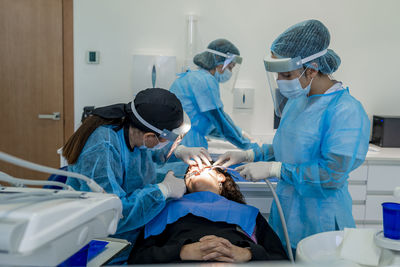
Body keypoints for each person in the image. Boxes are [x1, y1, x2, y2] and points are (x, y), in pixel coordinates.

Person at [215, 20, 371, 255]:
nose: (280, 81)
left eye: (286, 74)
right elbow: (287, 146)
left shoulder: (346, 110)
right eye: (278, 74)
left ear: (312, 69)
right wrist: (250, 154)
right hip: (287, 217)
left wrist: (276, 170)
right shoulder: (297, 102)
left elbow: (331, 174)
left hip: (322, 223)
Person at [63, 88, 212, 263]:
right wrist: (163, 191)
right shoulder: (102, 146)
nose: (170, 145)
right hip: (96, 244)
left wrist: (179, 151)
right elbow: (111, 215)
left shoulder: (134, 131)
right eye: (171, 141)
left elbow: (152, 157)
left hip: (134, 237)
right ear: (150, 136)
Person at [128, 165, 288, 263]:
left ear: (221, 176)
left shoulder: (249, 213)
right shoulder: (166, 209)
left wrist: (247, 253)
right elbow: (138, 257)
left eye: (202, 166)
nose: (194, 169)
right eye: (189, 170)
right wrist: (182, 252)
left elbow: (280, 258)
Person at [170, 38, 257, 149]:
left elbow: (209, 125)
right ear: (219, 63)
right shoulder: (205, 81)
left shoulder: (194, 77)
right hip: (188, 143)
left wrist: (241, 133)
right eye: (230, 67)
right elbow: (220, 120)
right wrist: (247, 146)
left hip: (181, 141)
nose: (229, 72)